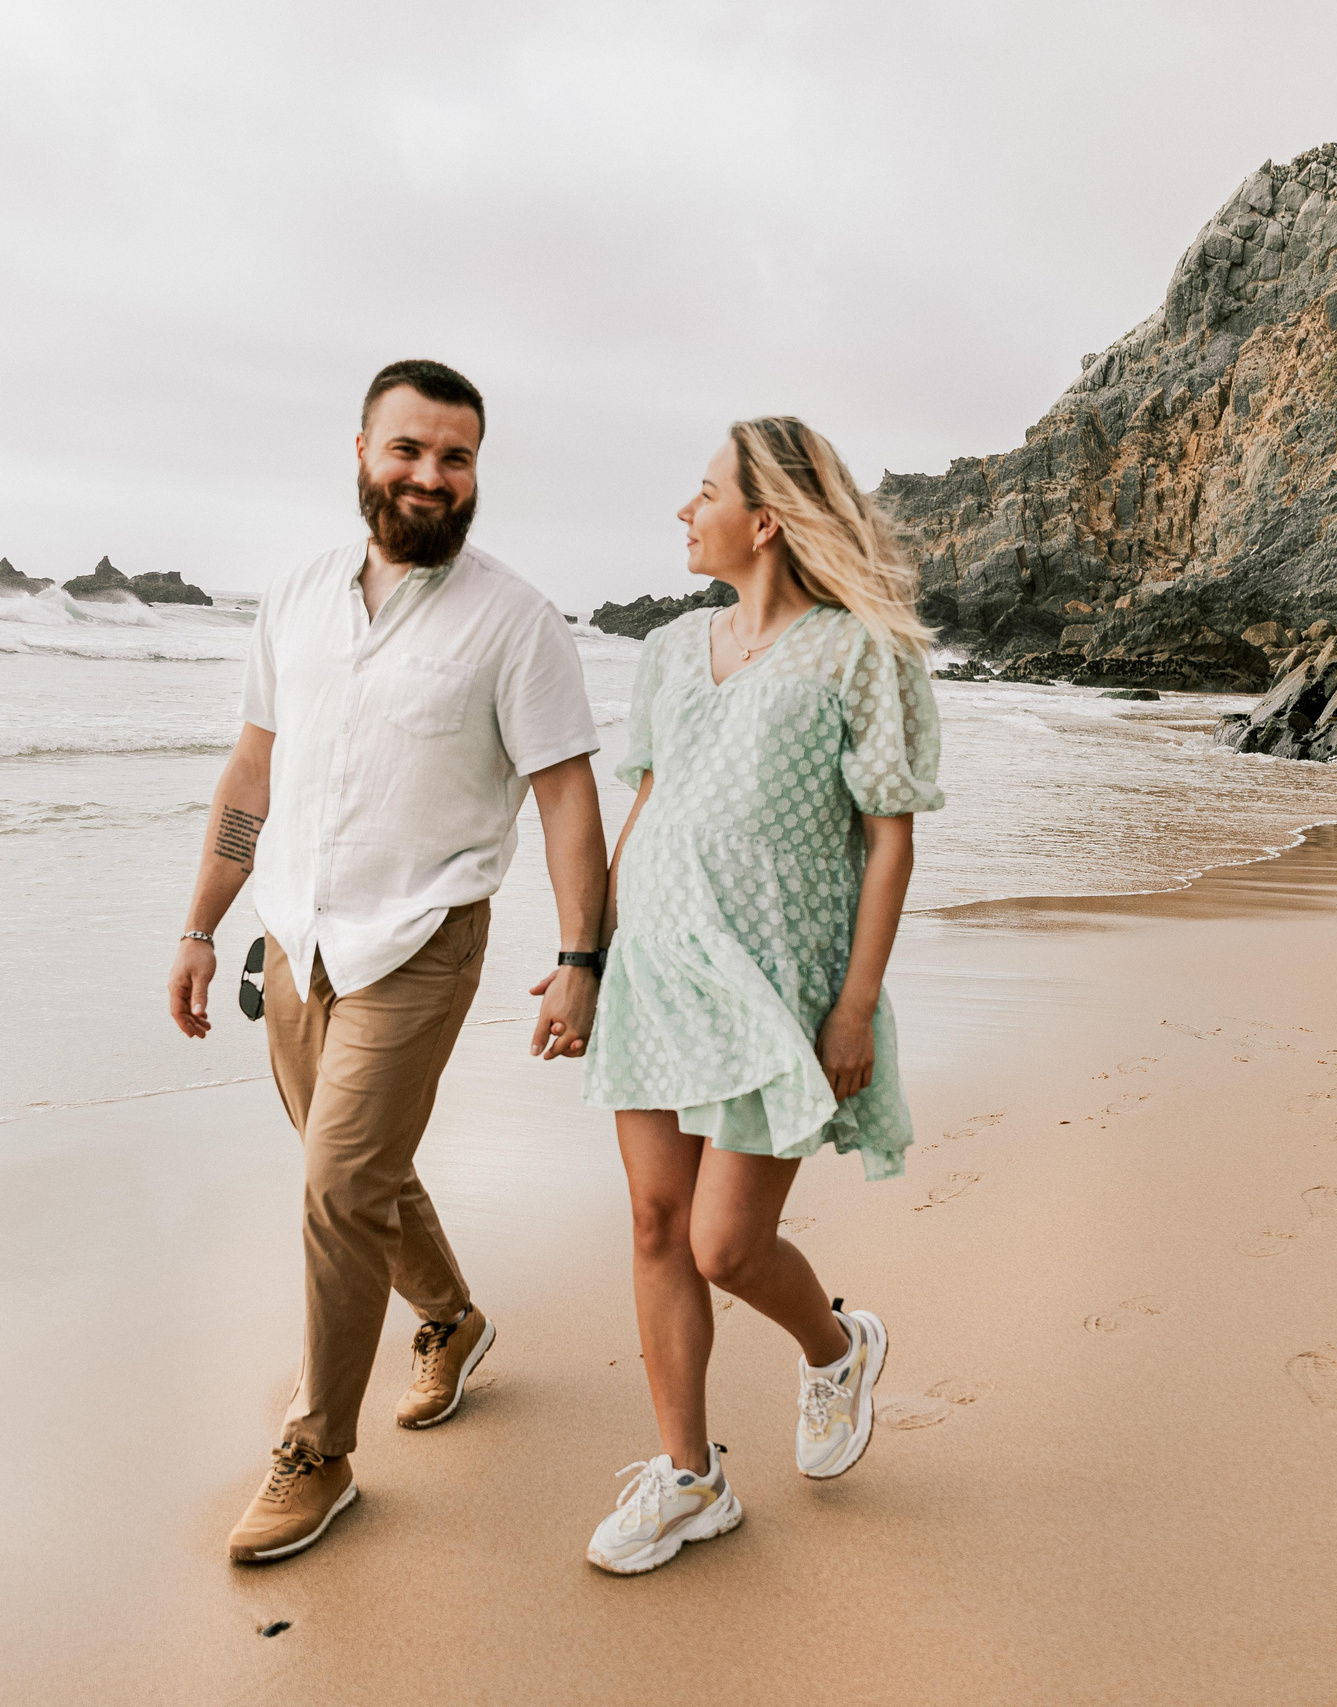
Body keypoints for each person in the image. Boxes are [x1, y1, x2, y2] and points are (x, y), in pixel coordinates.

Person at [167, 359, 610, 1564]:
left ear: (476, 474)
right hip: (295, 936)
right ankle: (454, 1322)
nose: (430, 476)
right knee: (352, 1170)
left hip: (422, 939)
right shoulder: (297, 597)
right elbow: (252, 771)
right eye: (409, 450)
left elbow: (568, 799)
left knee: (337, 1185)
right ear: (360, 450)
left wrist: (583, 955)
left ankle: (319, 1452)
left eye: (455, 458)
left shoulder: (514, 621)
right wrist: (202, 922)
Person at [578, 416, 943, 1574]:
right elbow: (645, 807)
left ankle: (836, 1348)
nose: (684, 513)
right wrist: (583, 960)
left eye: (702, 493)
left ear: (765, 519)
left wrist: (853, 1004)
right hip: (656, 966)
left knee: (727, 1244)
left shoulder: (857, 653)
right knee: (652, 1226)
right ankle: (690, 1480)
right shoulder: (673, 649)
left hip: (778, 976)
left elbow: (888, 840)